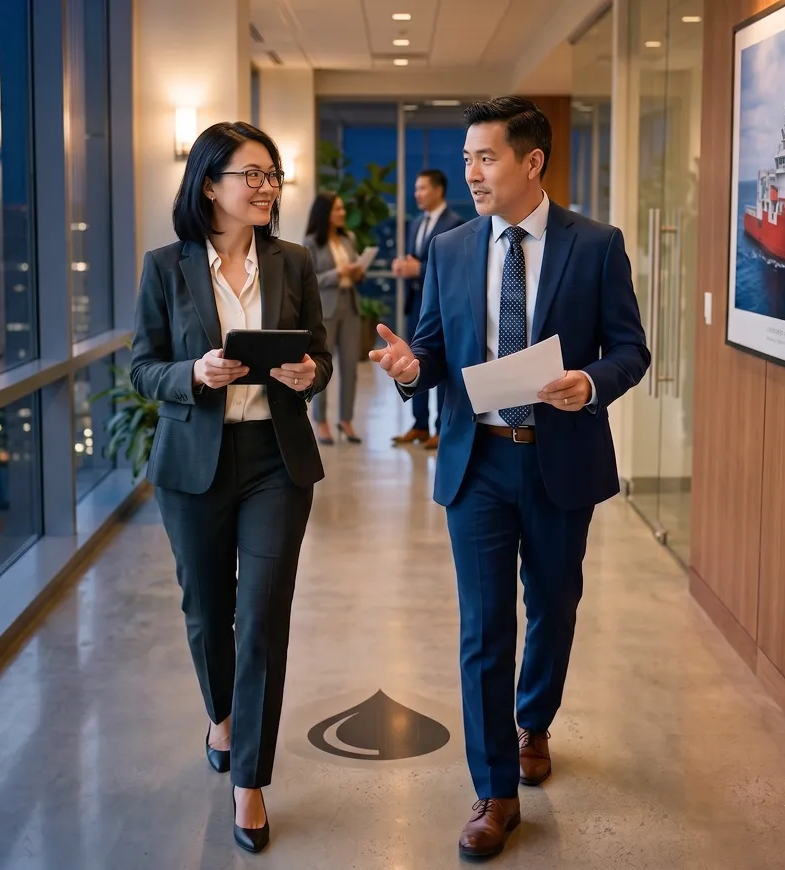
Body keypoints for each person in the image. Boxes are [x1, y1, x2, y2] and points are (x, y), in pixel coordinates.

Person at [370, 96, 650, 859]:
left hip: (560, 457)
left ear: (532, 162)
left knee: (554, 606)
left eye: (486, 157)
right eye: (465, 158)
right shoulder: (454, 249)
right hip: (479, 461)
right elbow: (428, 349)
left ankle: (535, 722)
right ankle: (495, 791)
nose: (471, 173)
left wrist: (588, 384)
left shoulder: (596, 245)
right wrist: (407, 370)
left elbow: (631, 350)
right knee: (484, 628)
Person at [130, 121, 332, 854]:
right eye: (252, 174)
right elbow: (141, 367)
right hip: (195, 466)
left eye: (273, 175)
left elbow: (319, 354)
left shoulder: (293, 262)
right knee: (207, 610)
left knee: (264, 616)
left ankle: (248, 779)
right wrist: (193, 374)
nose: (268, 187)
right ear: (209, 184)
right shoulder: (166, 267)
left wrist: (311, 375)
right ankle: (219, 711)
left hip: (276, 460)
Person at [391, 169, 462, 449]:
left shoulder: (454, 224)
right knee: (412, 361)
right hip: (417, 305)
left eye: (422, 188)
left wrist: (417, 269)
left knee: (441, 365)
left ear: (439, 190)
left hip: (443, 307)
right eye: (416, 188)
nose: (417, 194)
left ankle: (439, 428)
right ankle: (419, 425)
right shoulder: (415, 223)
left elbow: (453, 271)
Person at [303, 192, 367, 444]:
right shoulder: (310, 243)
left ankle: (346, 420)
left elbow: (354, 275)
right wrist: (336, 273)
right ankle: (321, 422)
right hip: (325, 310)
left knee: (350, 367)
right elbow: (309, 281)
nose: (342, 213)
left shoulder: (348, 238)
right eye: (338, 209)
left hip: (349, 306)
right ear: (325, 213)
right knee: (321, 368)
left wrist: (357, 271)